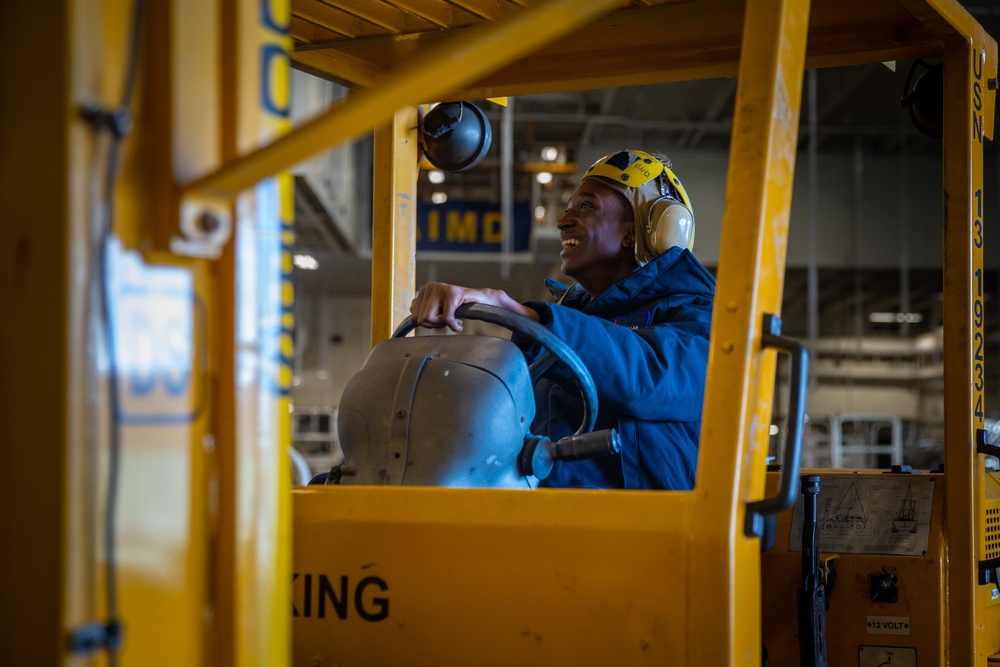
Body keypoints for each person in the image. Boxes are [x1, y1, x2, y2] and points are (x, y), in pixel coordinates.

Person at [409, 149, 715, 490]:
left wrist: (519, 313)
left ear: (644, 229)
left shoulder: (698, 316)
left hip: (640, 531)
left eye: (586, 207)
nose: (562, 221)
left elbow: (649, 375)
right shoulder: (566, 324)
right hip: (550, 521)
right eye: (569, 208)